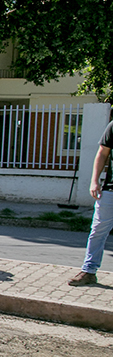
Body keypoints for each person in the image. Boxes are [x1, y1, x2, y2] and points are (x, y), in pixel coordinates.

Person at [68, 121, 113, 286]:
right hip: (110, 190)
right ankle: (89, 271)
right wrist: (95, 181)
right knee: (98, 231)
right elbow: (102, 152)